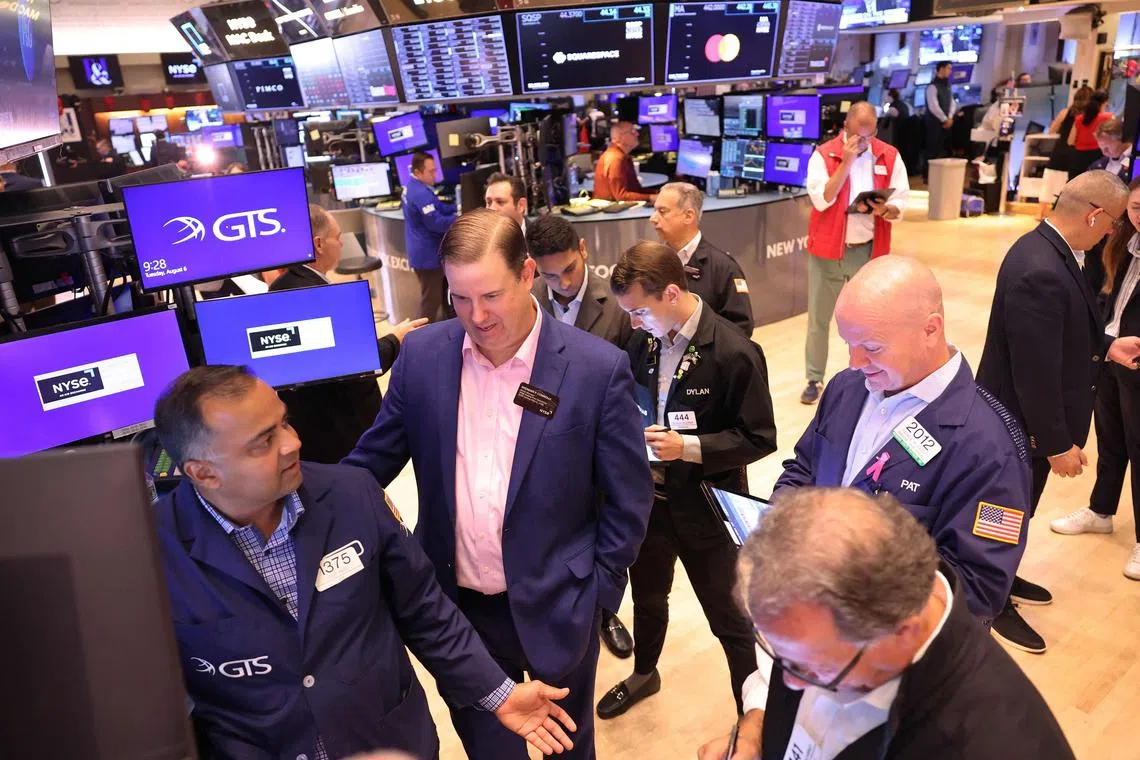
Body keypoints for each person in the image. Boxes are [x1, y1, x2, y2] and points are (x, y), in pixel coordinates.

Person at [343, 208, 654, 759]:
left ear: (527, 273)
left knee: (567, 745)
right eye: (460, 299)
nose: (476, 316)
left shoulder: (594, 369)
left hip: (562, 603)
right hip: (458, 612)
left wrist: (598, 593)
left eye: (490, 295)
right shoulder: (423, 356)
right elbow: (371, 461)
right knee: (490, 749)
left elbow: (629, 497)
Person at [151, 366, 579, 760]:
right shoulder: (148, 554)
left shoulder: (352, 493)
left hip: (390, 742)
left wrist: (498, 692)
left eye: (283, 421)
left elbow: (425, 611)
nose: (292, 442)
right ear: (203, 473)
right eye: (264, 441)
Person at [698, 488, 1076, 760]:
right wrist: (754, 732)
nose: (789, 679)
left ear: (901, 632)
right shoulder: (821, 630)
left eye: (811, 668)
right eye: (776, 651)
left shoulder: (996, 743)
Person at [777, 255, 1031, 625]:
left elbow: (978, 590)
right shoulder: (847, 389)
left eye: (873, 348)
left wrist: (852, 581)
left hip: (895, 658)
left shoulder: (991, 448)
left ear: (931, 329)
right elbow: (805, 467)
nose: (855, 362)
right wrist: (777, 527)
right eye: (848, 343)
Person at [596, 241, 777, 720]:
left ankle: (754, 717)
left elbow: (759, 438)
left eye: (639, 311)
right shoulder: (645, 341)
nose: (632, 323)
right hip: (650, 504)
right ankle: (644, 673)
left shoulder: (735, 352)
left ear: (672, 292)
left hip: (706, 507)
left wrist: (688, 448)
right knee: (648, 597)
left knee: (729, 619)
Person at [977, 170, 1140, 654]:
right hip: (1017, 428)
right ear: (1094, 214)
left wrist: (1107, 345)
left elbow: (1060, 333)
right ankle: (991, 599)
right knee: (1004, 513)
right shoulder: (1041, 268)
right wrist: (1056, 445)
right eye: (1111, 223)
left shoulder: (1048, 250)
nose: (1113, 233)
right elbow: (1035, 371)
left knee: (1016, 511)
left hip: (1019, 423)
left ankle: (1003, 579)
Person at [526, 214, 636, 660]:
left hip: (605, 444)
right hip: (542, 441)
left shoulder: (621, 304)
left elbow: (634, 385)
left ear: (585, 249)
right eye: (550, 274)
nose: (562, 282)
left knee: (608, 524)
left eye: (569, 269)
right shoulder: (527, 302)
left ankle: (606, 609)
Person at [269, 205, 426, 464]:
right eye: (338, 237)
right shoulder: (326, 299)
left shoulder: (280, 286)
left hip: (308, 427)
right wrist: (396, 339)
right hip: (339, 434)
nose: (342, 244)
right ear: (318, 244)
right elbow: (357, 367)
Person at [1050, 176, 1140, 581]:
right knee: (1111, 438)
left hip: (1135, 360)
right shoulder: (1120, 244)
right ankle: (1101, 509)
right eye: (1135, 209)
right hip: (1108, 354)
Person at [801, 101, 910, 405]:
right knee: (820, 318)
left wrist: (885, 209)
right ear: (846, 125)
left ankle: (877, 376)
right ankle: (813, 377)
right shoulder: (824, 155)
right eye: (858, 134)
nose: (864, 141)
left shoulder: (889, 155)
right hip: (829, 250)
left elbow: (901, 201)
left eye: (870, 134)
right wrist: (846, 162)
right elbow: (822, 199)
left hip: (870, 250)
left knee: (876, 320)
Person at [650, 181, 754, 336]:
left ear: (688, 216)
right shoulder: (654, 261)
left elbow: (741, 327)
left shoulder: (723, 268)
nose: (653, 218)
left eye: (662, 211)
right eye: (655, 210)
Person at [402, 151, 457, 322]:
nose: (435, 175)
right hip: (428, 256)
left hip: (424, 252)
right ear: (418, 172)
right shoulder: (420, 193)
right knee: (430, 302)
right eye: (431, 171)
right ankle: (421, 337)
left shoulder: (414, 186)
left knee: (437, 297)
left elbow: (438, 207)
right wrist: (460, 218)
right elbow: (436, 222)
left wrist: (457, 206)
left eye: (435, 170)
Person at [1040, 86, 1094, 221]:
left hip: (1060, 150)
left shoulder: (1065, 112)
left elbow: (1052, 130)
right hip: (1078, 152)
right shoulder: (1090, 116)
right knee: (1070, 184)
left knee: (1050, 181)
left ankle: (1040, 212)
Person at [593, 121, 656, 203]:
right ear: (619, 137)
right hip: (612, 212)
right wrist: (652, 197)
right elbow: (621, 196)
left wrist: (658, 193)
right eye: (633, 132)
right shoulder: (616, 158)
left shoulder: (622, 156)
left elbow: (635, 190)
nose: (637, 134)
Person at [923, 61, 957, 179]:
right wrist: (944, 119)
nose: (950, 71)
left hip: (947, 123)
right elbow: (933, 106)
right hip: (934, 124)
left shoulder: (947, 86)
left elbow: (952, 102)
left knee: (944, 149)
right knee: (932, 150)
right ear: (941, 69)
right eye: (948, 68)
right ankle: (928, 176)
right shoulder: (932, 86)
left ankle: (942, 175)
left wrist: (950, 117)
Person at [1071, 89, 1113, 175]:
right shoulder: (1108, 117)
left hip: (1078, 159)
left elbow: (1070, 141)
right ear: (1105, 103)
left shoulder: (1079, 119)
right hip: (1098, 157)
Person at [1088, 117, 1132, 182]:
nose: (1104, 152)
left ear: (1122, 139)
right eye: (1101, 148)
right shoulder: (1096, 166)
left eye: (1107, 147)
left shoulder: (1137, 162)